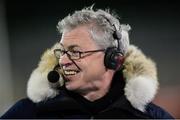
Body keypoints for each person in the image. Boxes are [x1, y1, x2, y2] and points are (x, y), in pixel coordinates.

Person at [1, 6, 174, 119]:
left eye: (75, 52)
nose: (63, 60)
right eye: (62, 51)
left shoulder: (152, 117)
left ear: (113, 58)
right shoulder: (28, 113)